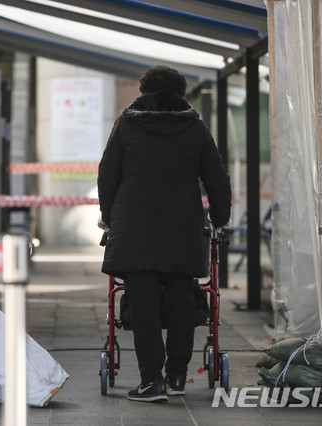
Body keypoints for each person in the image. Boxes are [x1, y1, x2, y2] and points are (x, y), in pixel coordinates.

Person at [97, 65, 231, 403]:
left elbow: (107, 172)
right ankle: (177, 377)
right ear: (181, 93)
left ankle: (151, 382)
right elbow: (217, 177)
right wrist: (220, 218)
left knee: (142, 304)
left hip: (134, 225)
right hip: (182, 225)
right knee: (182, 300)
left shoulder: (127, 124)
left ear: (144, 92)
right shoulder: (195, 128)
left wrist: (107, 216)